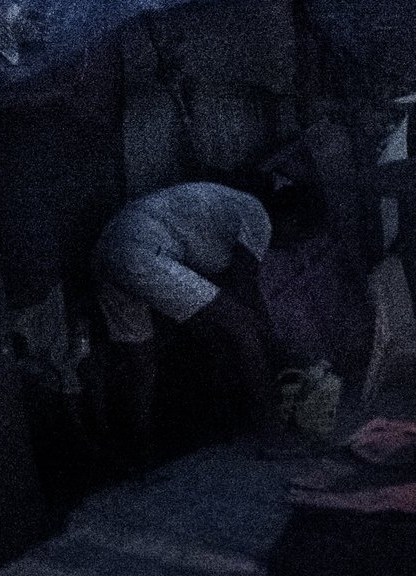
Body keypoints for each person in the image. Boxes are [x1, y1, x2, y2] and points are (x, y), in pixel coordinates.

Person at [92, 179, 287, 457]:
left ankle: (138, 450)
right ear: (293, 221)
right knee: (243, 328)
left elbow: (220, 292)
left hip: (109, 247)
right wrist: (270, 334)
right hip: (143, 251)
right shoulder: (258, 218)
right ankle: (273, 434)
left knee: (142, 362)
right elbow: (244, 292)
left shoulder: (222, 205)